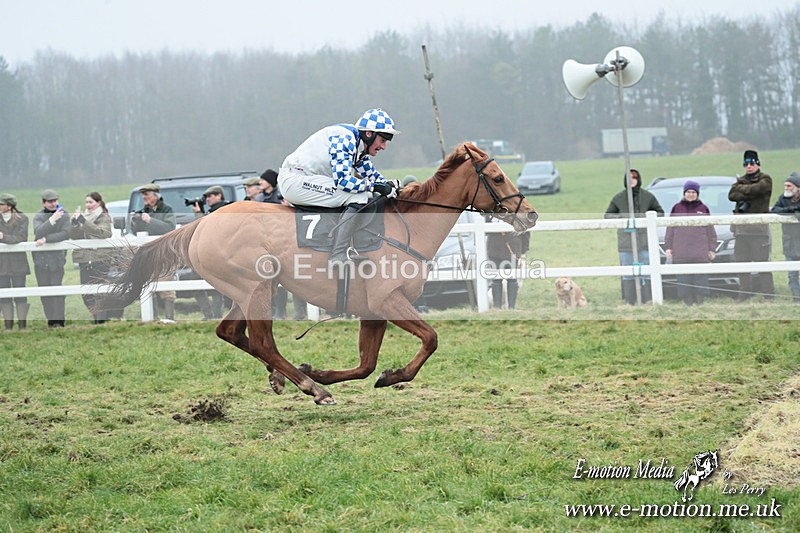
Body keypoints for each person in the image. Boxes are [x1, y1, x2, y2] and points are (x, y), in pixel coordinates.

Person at [277, 108, 400, 268]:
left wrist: (389, 185)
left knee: (364, 192)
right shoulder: (346, 138)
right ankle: (338, 253)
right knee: (359, 196)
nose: (384, 147)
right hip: (296, 180)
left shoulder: (358, 145)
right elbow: (343, 182)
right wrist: (375, 186)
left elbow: (372, 175)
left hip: (304, 178)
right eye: (382, 141)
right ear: (369, 134)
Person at [604, 169, 664, 304]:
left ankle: (647, 299)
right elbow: (608, 215)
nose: (631, 181)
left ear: (638, 180)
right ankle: (630, 301)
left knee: (647, 272)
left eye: (634, 178)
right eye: (629, 178)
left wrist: (645, 219)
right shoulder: (618, 198)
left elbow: (660, 212)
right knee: (628, 273)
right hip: (626, 243)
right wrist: (624, 218)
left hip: (644, 242)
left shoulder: (648, 197)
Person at [728, 149, 774, 301]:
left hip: (758, 230)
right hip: (741, 230)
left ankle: (768, 295)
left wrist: (744, 190)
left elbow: (760, 189)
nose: (749, 166)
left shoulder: (766, 179)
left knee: (763, 265)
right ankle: (744, 294)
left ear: (758, 164)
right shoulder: (740, 180)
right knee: (742, 264)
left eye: (752, 163)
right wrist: (749, 192)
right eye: (746, 164)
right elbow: (731, 195)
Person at [664, 180, 717, 305]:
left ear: (697, 194)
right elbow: (669, 229)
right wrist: (668, 247)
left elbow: (711, 231)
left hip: (700, 252)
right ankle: (687, 302)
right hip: (681, 252)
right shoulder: (676, 208)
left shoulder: (703, 209)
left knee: (700, 279)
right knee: (683, 279)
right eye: (688, 192)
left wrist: (712, 249)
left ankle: (700, 302)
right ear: (684, 193)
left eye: (693, 192)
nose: (691, 194)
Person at [130, 183, 177, 321]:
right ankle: (154, 318)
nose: (144, 197)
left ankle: (169, 319)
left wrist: (150, 220)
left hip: (165, 254)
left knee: (166, 286)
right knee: (149, 284)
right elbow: (137, 233)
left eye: (147, 194)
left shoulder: (167, 209)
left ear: (155, 196)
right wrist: (135, 223)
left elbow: (169, 227)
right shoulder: (144, 210)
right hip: (149, 254)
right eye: (143, 195)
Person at [69, 192, 113, 323]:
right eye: (86, 202)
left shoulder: (104, 217)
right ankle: (97, 317)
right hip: (85, 259)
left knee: (100, 291)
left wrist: (83, 221)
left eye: (91, 202)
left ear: (98, 203)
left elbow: (103, 233)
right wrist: (75, 224)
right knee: (86, 293)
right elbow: (74, 236)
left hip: (101, 259)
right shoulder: (84, 217)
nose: (88, 205)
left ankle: (100, 321)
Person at [190, 185, 232, 319]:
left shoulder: (223, 210)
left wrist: (198, 214)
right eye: (206, 197)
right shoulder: (212, 211)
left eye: (210, 196)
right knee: (197, 285)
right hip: (210, 254)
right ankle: (210, 315)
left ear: (219, 196)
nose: (207, 199)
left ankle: (215, 315)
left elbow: (207, 228)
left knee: (216, 286)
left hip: (220, 254)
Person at [33, 188, 70, 327]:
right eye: (50, 202)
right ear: (43, 203)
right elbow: (38, 232)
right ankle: (50, 321)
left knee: (57, 291)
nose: (53, 204)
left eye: (55, 201)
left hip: (57, 260)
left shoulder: (65, 215)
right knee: (44, 292)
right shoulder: (38, 216)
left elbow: (66, 233)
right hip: (40, 261)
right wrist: (52, 220)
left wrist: (46, 239)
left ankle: (59, 322)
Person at [0, 193, 31, 330]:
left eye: (1, 204)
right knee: (4, 295)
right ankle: (8, 326)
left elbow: (20, 237)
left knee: (20, 294)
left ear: (9, 206)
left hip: (18, 262)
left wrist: (2, 236)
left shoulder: (22, 218)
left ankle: (22, 325)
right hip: (1, 263)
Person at [486, 219, 530, 309]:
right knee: (496, 279)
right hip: (495, 249)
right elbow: (486, 229)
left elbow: (525, 232)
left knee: (512, 279)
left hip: (513, 250)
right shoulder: (491, 213)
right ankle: (497, 306)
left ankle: (511, 307)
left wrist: (523, 249)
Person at [770, 171, 800, 302]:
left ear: (798, 188)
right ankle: (796, 298)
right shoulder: (783, 198)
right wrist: (788, 211)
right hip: (789, 242)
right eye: (785, 186)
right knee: (792, 274)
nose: (786, 188)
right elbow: (774, 209)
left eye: (789, 186)